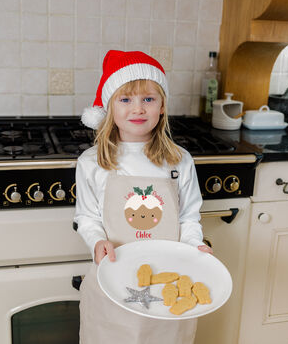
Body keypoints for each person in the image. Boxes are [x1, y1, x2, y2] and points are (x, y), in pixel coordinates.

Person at [74, 50, 213, 344]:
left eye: (148, 99)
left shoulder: (179, 160)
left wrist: (195, 246)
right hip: (111, 276)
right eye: (125, 99)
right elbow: (87, 217)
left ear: (162, 106)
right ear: (109, 107)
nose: (138, 109)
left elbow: (188, 216)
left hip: (168, 278)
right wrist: (97, 242)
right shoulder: (91, 162)